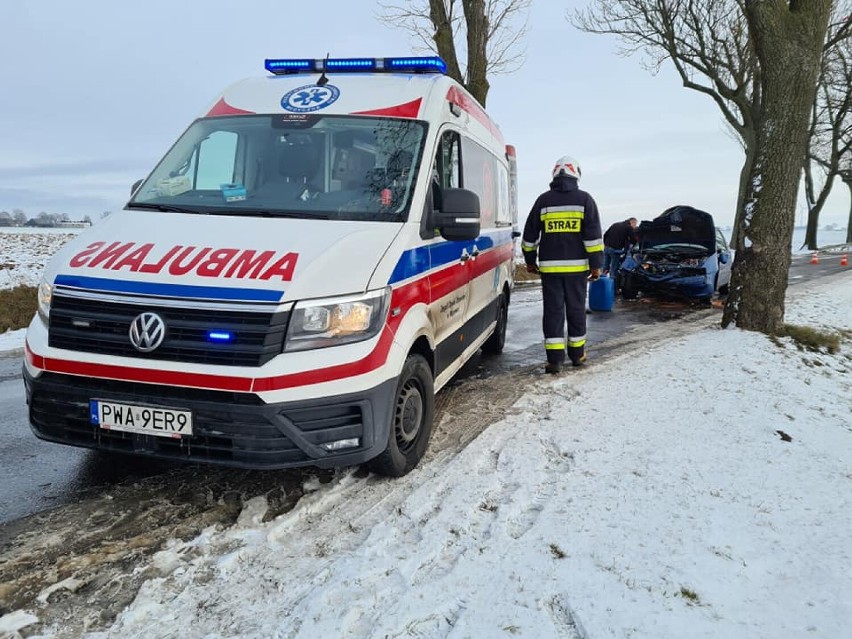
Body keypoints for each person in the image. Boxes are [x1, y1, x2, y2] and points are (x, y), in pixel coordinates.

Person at [521, 155, 604, 374]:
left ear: (555, 173)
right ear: (576, 173)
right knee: (576, 311)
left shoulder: (543, 201)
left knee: (553, 312)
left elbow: (530, 236)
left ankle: (554, 361)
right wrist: (596, 265)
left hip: (550, 271)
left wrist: (530, 261)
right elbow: (593, 238)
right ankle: (577, 355)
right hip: (577, 270)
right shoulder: (585, 200)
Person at [603, 217, 638, 283]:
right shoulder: (628, 227)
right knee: (614, 269)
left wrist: (606, 244)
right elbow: (633, 239)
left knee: (605, 267)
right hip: (615, 250)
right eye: (635, 224)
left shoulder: (615, 224)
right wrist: (637, 243)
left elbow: (605, 235)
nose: (635, 226)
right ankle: (613, 287)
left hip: (606, 248)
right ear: (632, 222)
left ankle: (602, 284)